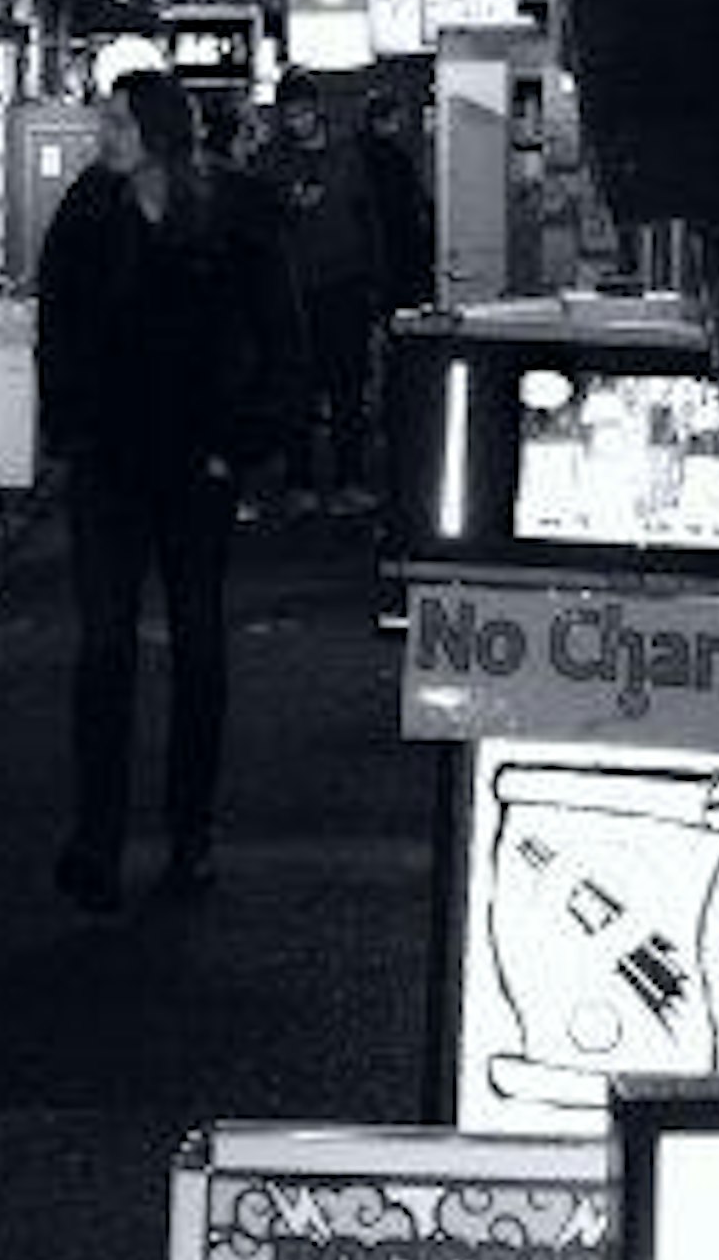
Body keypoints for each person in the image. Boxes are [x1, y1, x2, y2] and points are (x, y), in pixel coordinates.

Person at [32, 70, 305, 907]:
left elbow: (280, 331)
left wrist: (243, 441)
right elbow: (59, 326)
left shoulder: (234, 208)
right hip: (110, 461)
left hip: (197, 461)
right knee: (104, 648)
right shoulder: (88, 210)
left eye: (116, 120)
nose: (102, 132)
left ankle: (191, 832)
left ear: (156, 129)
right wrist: (72, 428)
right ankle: (98, 839)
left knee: (198, 645)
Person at [265, 79, 431, 512]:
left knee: (347, 389)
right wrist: (287, 204)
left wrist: (376, 283)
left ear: (315, 110)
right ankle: (300, 481)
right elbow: (262, 221)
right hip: (293, 290)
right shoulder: (274, 162)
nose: (295, 120)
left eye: (300, 111)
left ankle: (347, 480)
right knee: (297, 391)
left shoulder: (345, 157)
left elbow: (369, 220)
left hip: (343, 285)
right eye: (289, 112)